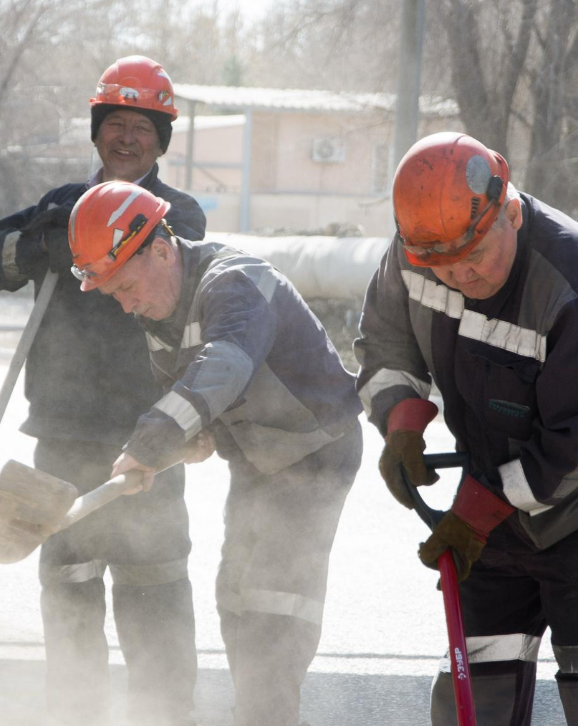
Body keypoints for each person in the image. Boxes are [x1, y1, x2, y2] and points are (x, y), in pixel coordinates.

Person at [354, 132, 578, 725]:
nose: (460, 276)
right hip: (493, 483)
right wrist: (401, 423)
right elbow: (384, 344)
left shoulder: (575, 280)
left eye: (474, 257)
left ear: (511, 214)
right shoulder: (417, 249)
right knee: (477, 684)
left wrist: (476, 513)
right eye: (442, 265)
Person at [67, 180, 364, 726]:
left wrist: (148, 443)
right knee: (237, 596)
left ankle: (267, 717)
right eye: (115, 295)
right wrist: (172, 449)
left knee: (274, 605)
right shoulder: (158, 315)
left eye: (126, 286)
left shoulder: (235, 283)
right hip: (255, 456)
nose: (127, 304)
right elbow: (192, 412)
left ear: (161, 250)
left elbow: (223, 366)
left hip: (314, 452)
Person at [0, 56, 204, 726]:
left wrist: (85, 234)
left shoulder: (178, 215)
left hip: (149, 437)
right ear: (97, 132)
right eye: (115, 124)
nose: (126, 138)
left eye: (143, 127)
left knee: (154, 590)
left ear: (161, 141)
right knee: (68, 589)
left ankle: (165, 719)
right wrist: (41, 240)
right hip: (63, 434)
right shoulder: (61, 206)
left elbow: (175, 269)